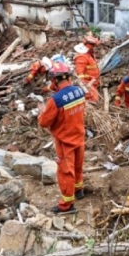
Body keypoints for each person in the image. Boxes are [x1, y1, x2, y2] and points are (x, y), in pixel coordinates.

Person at [37, 61, 86, 213]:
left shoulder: (55, 100)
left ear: (54, 79)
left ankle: (67, 204)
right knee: (78, 165)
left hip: (65, 141)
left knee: (66, 172)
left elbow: (44, 122)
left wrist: (41, 111)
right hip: (79, 135)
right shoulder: (79, 91)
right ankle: (79, 190)